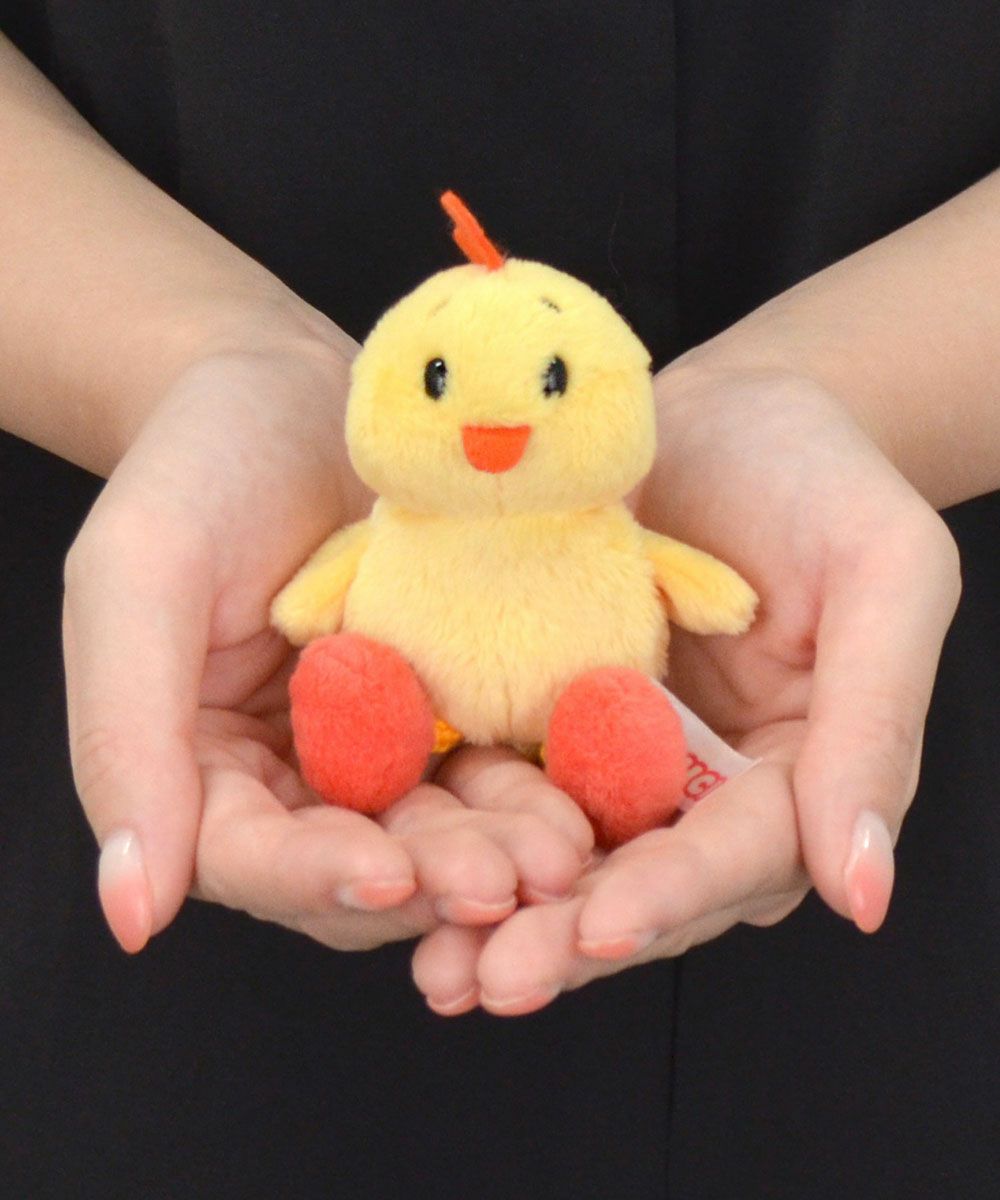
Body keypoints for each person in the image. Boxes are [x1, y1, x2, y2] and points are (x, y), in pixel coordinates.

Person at [1, 5, 997, 1197]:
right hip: (167, 749)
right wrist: (193, 364)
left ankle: (602, 737)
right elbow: (316, 597)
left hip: (911, 768)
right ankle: (386, 723)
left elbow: (699, 590)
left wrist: (846, 394)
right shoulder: (380, 535)